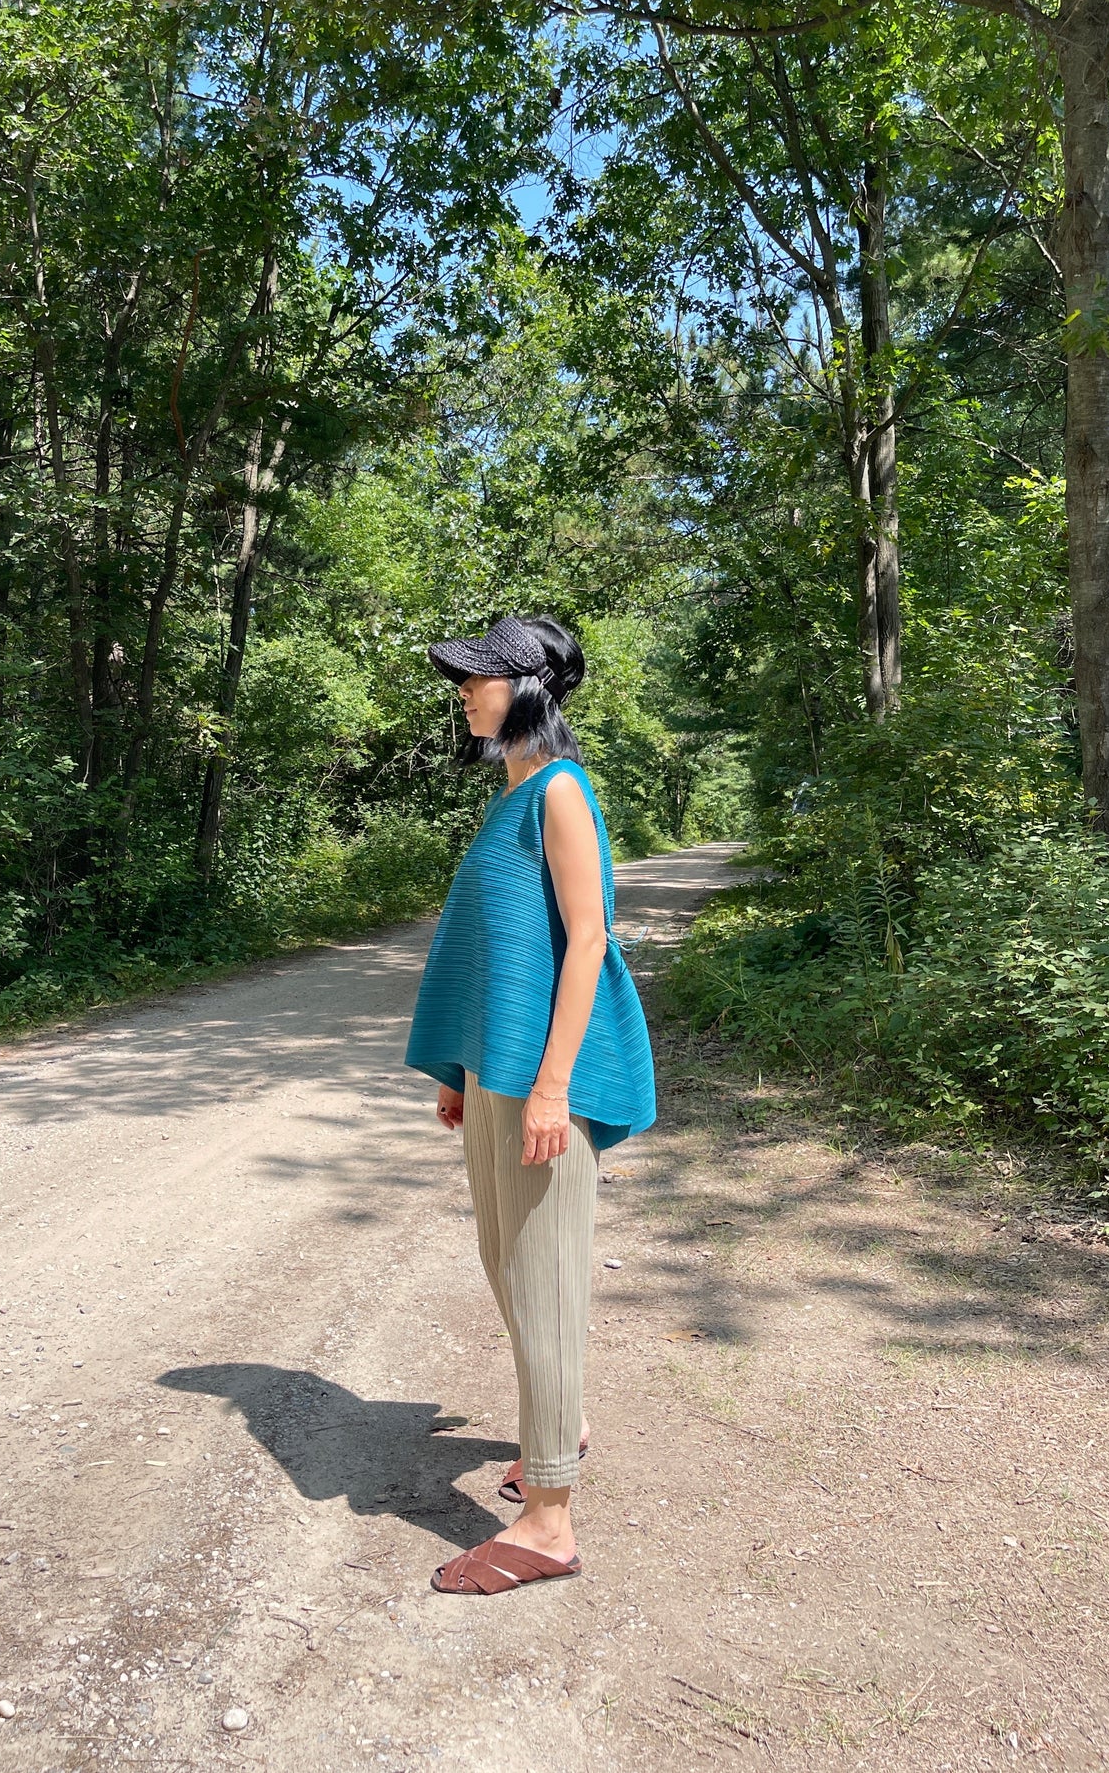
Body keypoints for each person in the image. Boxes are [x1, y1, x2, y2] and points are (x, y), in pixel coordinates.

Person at [405, 614, 656, 1595]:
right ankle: (568, 1423)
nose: (463, 692)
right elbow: (499, 950)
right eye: (463, 678)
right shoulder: (508, 795)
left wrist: (552, 1083)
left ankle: (548, 1522)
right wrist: (460, 1068)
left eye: (480, 677)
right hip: (496, 1076)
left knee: (545, 1286)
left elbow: (587, 940)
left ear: (533, 687)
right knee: (506, 1263)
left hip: (545, 1085)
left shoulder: (559, 790)